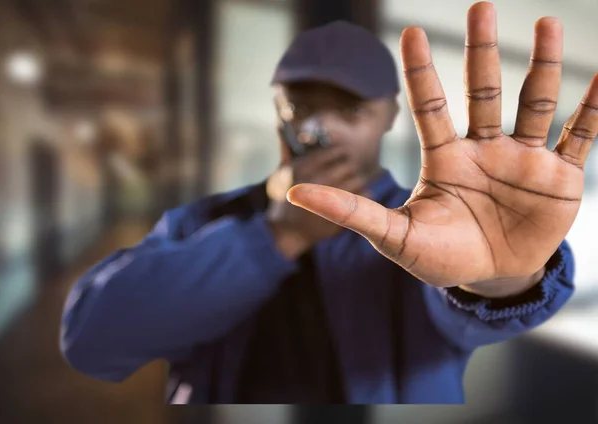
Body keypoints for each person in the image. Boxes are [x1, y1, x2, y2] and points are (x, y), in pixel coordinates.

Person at [60, 2, 597, 404]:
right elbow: (92, 339)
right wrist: (278, 236)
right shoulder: (202, 221)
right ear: (277, 112)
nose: (323, 130)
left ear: (389, 114)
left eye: (348, 109)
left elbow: (467, 318)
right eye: (303, 105)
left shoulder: (427, 223)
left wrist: (499, 278)